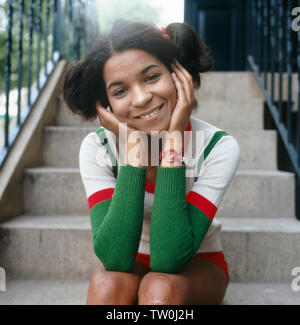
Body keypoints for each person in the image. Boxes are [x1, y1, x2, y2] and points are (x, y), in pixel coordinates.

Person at [63, 20, 240, 305]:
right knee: (108, 285)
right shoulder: (98, 148)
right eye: (120, 91)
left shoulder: (218, 147)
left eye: (151, 77)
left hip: (196, 263)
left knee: (160, 289)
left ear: (177, 75)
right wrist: (135, 150)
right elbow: (115, 257)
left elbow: (169, 258)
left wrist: (173, 140)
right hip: (129, 263)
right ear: (105, 104)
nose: (142, 98)